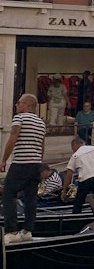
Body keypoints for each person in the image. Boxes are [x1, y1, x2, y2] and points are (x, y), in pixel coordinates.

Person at [1, 93, 47, 244]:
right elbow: (42, 146)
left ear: (26, 105)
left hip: (21, 163)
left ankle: (12, 231)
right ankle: (27, 231)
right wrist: (39, 164)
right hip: (35, 164)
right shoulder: (41, 122)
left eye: (18, 103)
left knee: (8, 194)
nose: (16, 105)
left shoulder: (19, 118)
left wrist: (3, 160)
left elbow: (13, 138)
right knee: (31, 199)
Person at [61, 135, 94, 229]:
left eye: (72, 148)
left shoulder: (75, 155)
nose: (73, 150)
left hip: (86, 180)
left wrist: (64, 191)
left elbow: (69, 175)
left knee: (78, 203)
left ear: (76, 145)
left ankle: (74, 224)